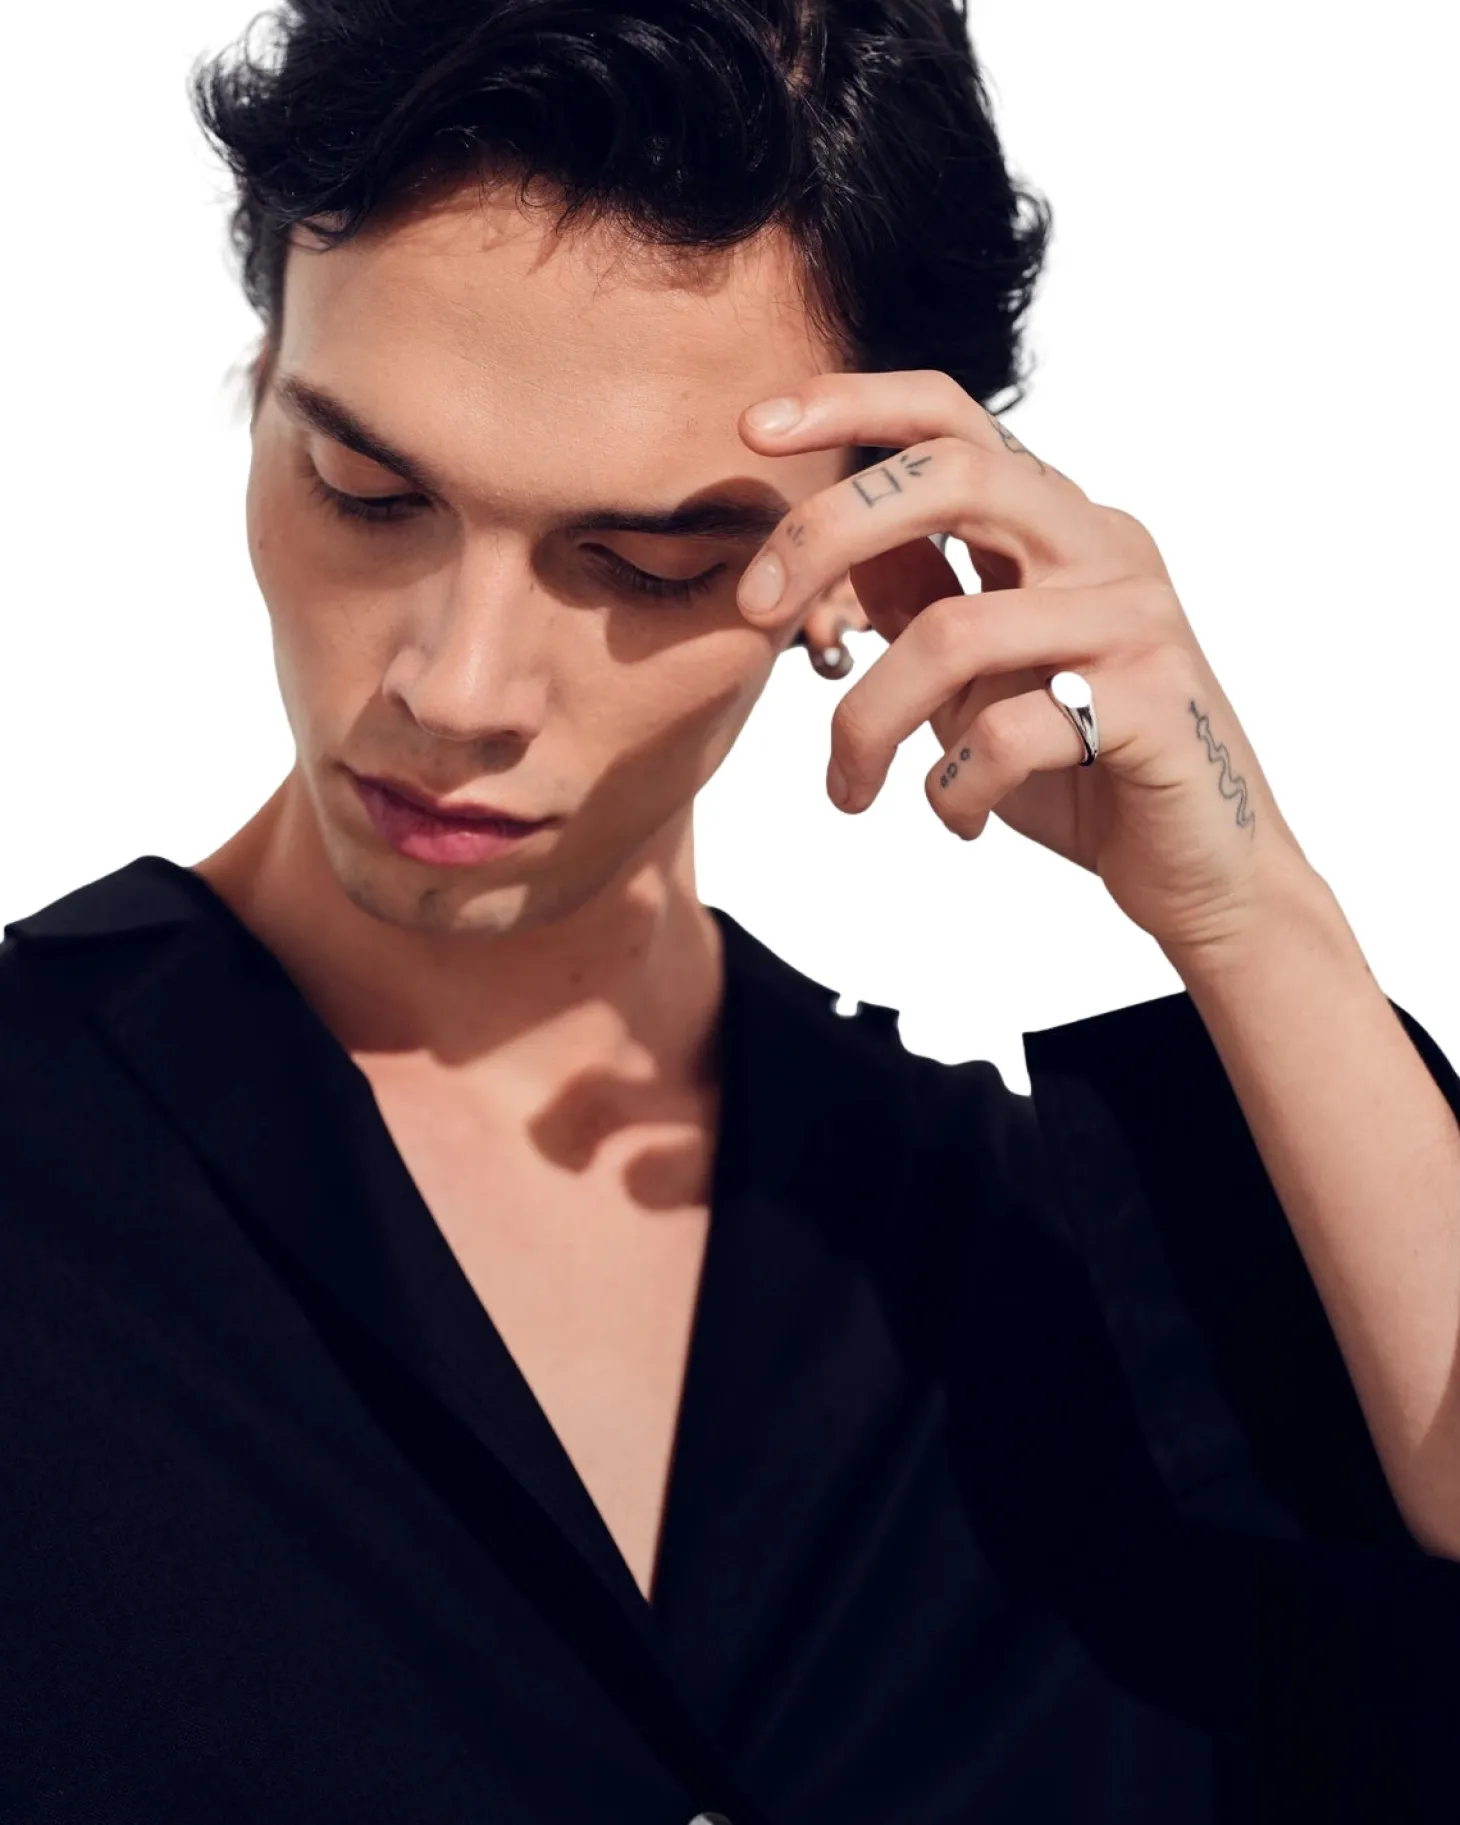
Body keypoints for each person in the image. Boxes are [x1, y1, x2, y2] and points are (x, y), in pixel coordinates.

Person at [3, 2, 1458, 1821]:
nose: (457, 685)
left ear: (873, 555)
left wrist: (1253, 913)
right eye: (367, 494)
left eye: (647, 563)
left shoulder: (1070, 1287)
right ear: (261, 388)